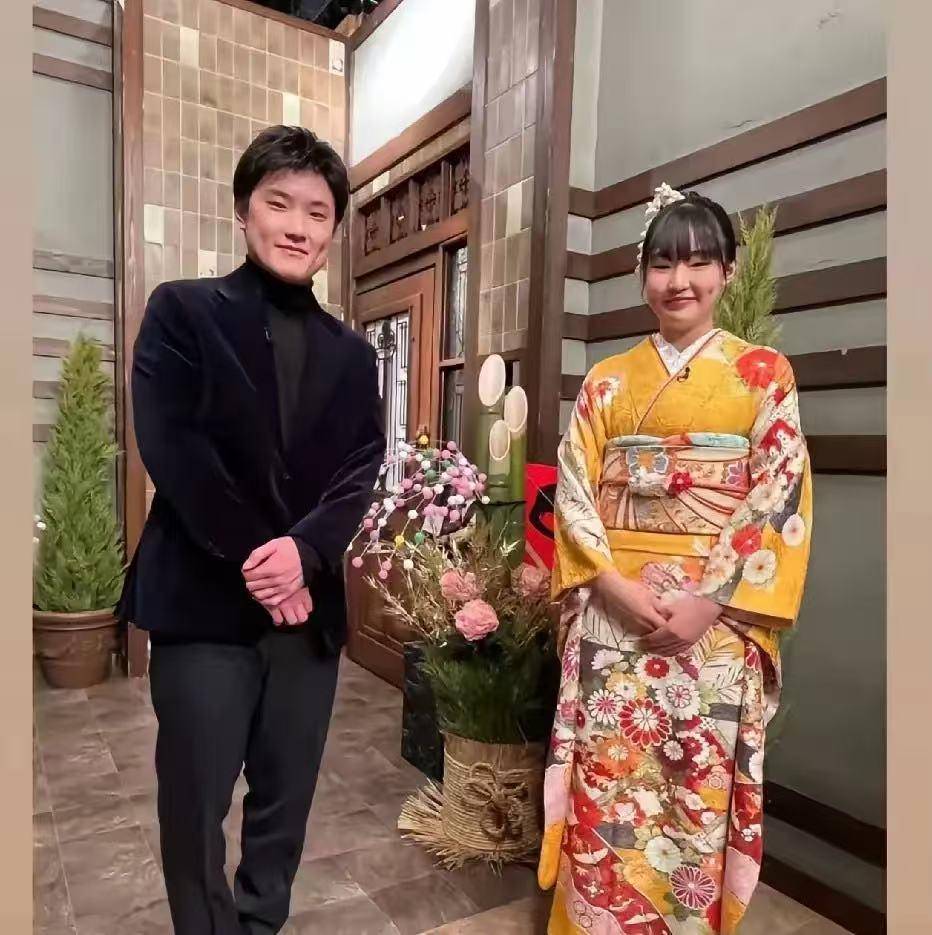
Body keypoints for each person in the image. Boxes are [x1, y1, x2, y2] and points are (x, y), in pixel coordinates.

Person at [117, 126, 385, 934]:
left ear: (333, 229)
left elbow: (362, 463)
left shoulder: (353, 354)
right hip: (204, 608)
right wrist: (262, 560)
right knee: (193, 805)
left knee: (284, 806)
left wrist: (306, 552)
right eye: (279, 204)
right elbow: (173, 445)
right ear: (244, 210)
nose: (298, 226)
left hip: (307, 624)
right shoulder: (183, 311)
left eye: (317, 212)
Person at [538, 187, 812, 934]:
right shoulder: (607, 380)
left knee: (696, 788)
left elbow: (778, 493)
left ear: (727, 271)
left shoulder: (764, 374)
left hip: (713, 628)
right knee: (606, 782)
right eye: (662, 264)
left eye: (698, 262)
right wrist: (612, 585)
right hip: (613, 617)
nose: (679, 280)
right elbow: (574, 490)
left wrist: (709, 600)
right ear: (643, 276)